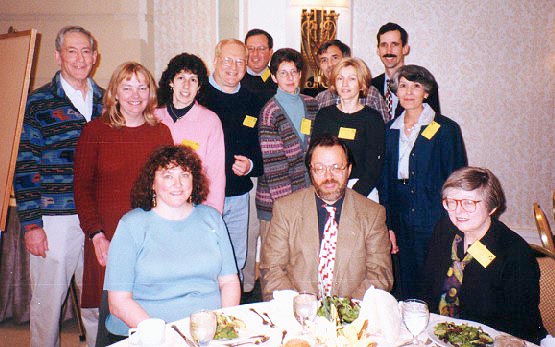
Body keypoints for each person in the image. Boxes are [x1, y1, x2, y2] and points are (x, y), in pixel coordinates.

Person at [13, 26, 103, 347]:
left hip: (96, 221)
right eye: (71, 51)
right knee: (47, 307)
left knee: (96, 305)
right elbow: (24, 166)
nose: (79, 58)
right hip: (55, 220)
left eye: (85, 52)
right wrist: (32, 225)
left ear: (95, 57)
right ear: (58, 56)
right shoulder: (38, 102)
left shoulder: (106, 102)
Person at [74, 62, 173, 345]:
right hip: (108, 237)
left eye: (142, 87)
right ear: (115, 92)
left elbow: (168, 188)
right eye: (127, 87)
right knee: (113, 318)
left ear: (151, 92)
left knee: (149, 310)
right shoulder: (95, 132)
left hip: (152, 239)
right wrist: (95, 235)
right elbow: (82, 189)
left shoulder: (161, 133)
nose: (135, 94)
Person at [103, 145, 240, 344]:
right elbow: (118, 302)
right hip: (149, 335)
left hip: (207, 333)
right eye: (167, 176)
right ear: (152, 183)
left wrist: (219, 324)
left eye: (184, 174)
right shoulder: (131, 225)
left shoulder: (212, 219)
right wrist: (162, 336)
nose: (178, 184)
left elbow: (229, 282)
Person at [420, 167, 547, 344]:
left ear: (492, 207)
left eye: (469, 203)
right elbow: (427, 288)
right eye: (451, 202)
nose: (459, 211)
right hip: (440, 336)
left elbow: (519, 325)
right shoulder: (444, 231)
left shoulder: (514, 252)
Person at [260, 134, 393, 301]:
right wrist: (302, 308)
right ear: (310, 170)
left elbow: (380, 275)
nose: (328, 176)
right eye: (320, 168)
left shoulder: (372, 214)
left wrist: (343, 312)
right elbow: (272, 270)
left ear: (349, 170)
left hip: (353, 317)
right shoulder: (286, 209)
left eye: (337, 167)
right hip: (298, 314)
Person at [380, 64, 467, 299]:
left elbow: (457, 179)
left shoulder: (446, 129)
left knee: (433, 279)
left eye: (416, 86)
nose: (408, 92)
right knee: (403, 280)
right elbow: (385, 181)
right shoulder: (389, 130)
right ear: (396, 92)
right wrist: (387, 223)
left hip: (434, 218)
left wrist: (453, 222)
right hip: (400, 218)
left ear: (426, 93)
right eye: (403, 86)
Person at [204, 39, 264, 285]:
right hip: (203, 196)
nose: (233, 66)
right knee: (206, 259)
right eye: (228, 59)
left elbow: (262, 149)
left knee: (237, 260)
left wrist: (251, 165)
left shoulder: (253, 101)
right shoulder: (198, 95)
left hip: (239, 196)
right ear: (216, 60)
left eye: (240, 61)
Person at [257, 48, 318, 242]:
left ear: (300, 74)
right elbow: (274, 166)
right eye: (283, 73)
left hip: (307, 195)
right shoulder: (270, 112)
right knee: (275, 262)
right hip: (277, 202)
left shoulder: (312, 104)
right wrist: (288, 208)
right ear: (274, 77)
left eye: (294, 72)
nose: (290, 77)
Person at [155, 53, 225, 212]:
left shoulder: (210, 121)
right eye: (181, 78)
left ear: (199, 86)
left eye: (193, 79)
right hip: (157, 207)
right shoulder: (154, 117)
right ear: (171, 82)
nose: (186, 85)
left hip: (195, 208)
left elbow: (216, 176)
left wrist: (212, 215)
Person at [312, 58, 385, 202]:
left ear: (362, 83)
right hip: (327, 186)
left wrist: (352, 195)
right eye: (340, 78)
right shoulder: (324, 115)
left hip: (362, 191)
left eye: (352, 79)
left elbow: (375, 166)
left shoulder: (373, 118)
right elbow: (313, 156)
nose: (345, 84)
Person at [371, 22, 441, 119]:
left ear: (405, 49)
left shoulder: (423, 82)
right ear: (378, 50)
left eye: (394, 44)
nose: (389, 51)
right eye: (384, 45)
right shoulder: (370, 86)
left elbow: (434, 121)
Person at [313, 40, 390, 123]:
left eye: (335, 58)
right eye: (324, 60)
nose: (330, 64)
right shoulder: (320, 99)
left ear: (346, 60)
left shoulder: (370, 94)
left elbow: (383, 130)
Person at [241, 28, 278, 104]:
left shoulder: (279, 80)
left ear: (271, 52)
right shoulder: (235, 79)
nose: (255, 54)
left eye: (261, 49)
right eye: (250, 49)